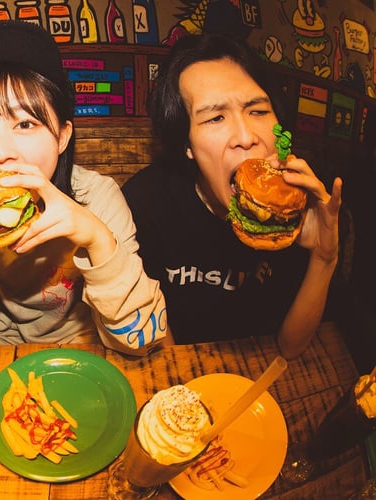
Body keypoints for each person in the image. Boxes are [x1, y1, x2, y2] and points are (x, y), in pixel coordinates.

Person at [0, 20, 166, 354]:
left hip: (87, 348)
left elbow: (142, 341)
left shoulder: (98, 198)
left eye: (24, 123)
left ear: (62, 136)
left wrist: (98, 241)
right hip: (0, 351)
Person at [122, 33, 342, 358]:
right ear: (186, 144)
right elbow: (156, 337)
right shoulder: (145, 203)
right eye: (215, 117)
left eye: (258, 111)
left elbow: (290, 347)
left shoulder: (297, 207)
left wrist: (324, 258)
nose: (245, 136)